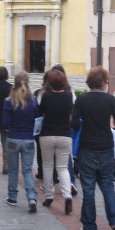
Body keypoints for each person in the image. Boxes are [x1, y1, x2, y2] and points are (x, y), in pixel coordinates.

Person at [71, 66, 115, 230]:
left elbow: (74, 124)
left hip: (87, 148)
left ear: (89, 83)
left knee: (88, 188)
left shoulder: (81, 100)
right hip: (106, 148)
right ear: (103, 83)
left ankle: (90, 227)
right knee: (108, 186)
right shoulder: (110, 100)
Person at [2, 71, 39, 213]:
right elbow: (37, 119)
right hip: (29, 138)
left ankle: (12, 197)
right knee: (27, 170)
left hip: (13, 136)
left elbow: (6, 122)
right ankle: (31, 197)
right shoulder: (34, 101)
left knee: (13, 170)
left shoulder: (9, 101)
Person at [39, 69, 74, 214]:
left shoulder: (46, 96)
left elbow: (40, 112)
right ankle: (67, 196)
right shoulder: (68, 96)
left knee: (47, 166)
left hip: (47, 133)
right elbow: (71, 114)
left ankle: (49, 196)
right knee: (63, 167)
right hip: (64, 134)